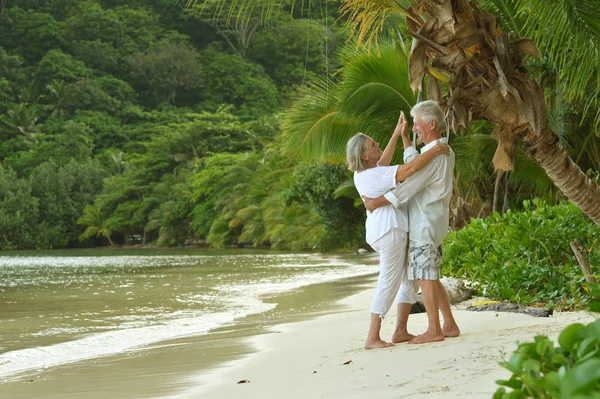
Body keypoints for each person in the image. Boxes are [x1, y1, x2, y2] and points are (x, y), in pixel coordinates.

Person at [346, 110, 450, 349]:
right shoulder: (374, 176)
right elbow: (409, 170)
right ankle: (372, 337)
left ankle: (400, 330)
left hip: (391, 231)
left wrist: (396, 134)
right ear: (364, 154)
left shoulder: (367, 171)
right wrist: (435, 149)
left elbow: (383, 162)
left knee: (409, 281)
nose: (378, 144)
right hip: (390, 232)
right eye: (373, 144)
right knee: (389, 281)